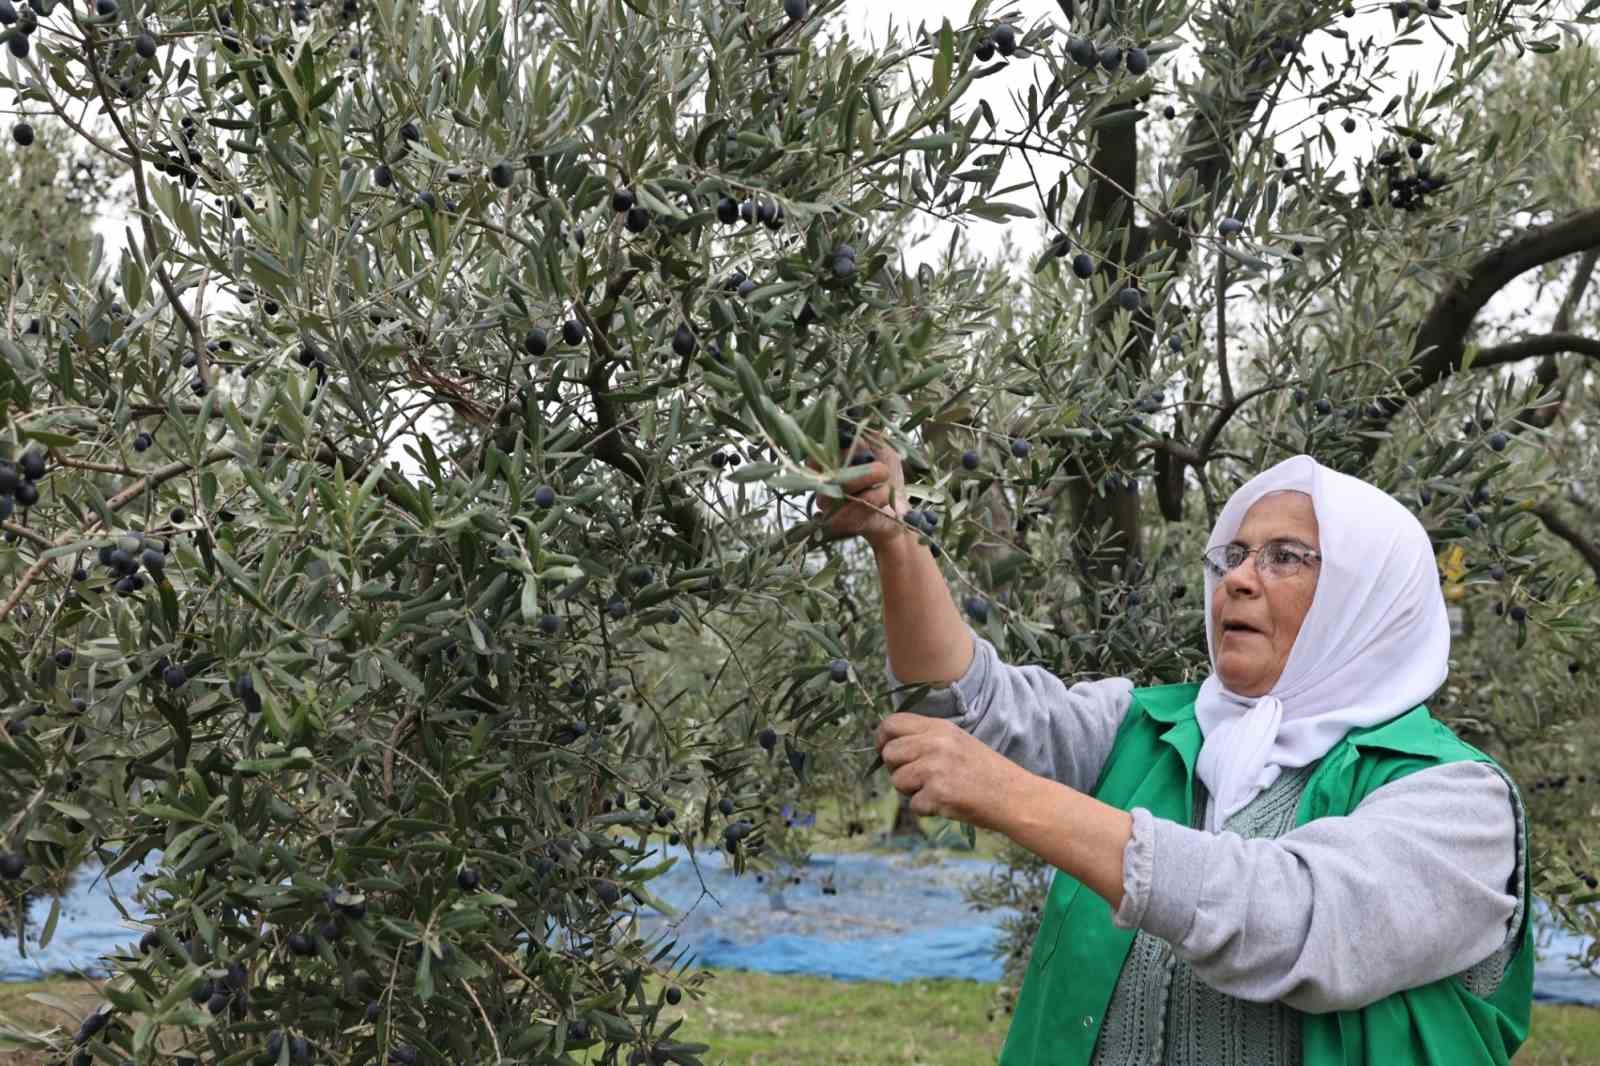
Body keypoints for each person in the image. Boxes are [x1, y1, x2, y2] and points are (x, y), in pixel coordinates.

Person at [819, 448, 1533, 1066]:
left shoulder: (1458, 800)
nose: (1239, 579)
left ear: (1369, 597)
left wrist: (1011, 796)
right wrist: (896, 538)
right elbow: (965, 708)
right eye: (1232, 556)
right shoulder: (1150, 728)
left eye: (1285, 557)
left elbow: (1297, 920)